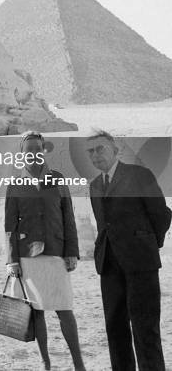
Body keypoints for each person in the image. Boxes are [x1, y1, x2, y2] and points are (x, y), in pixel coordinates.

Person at [86, 130, 172, 371]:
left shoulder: (138, 175)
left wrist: (146, 243)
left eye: (100, 149)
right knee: (115, 329)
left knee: (145, 329)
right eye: (90, 152)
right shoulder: (94, 186)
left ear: (115, 150)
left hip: (141, 264)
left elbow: (161, 214)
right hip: (109, 266)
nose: (95, 155)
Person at [5, 131, 86, 371]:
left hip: (56, 251)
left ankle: (78, 363)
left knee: (64, 309)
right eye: (28, 150)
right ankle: (45, 362)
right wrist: (12, 261)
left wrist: (72, 252)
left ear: (43, 151)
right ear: (22, 154)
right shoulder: (15, 183)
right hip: (28, 256)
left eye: (37, 149)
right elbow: (10, 225)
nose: (33, 154)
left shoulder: (59, 179)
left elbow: (68, 217)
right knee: (37, 311)